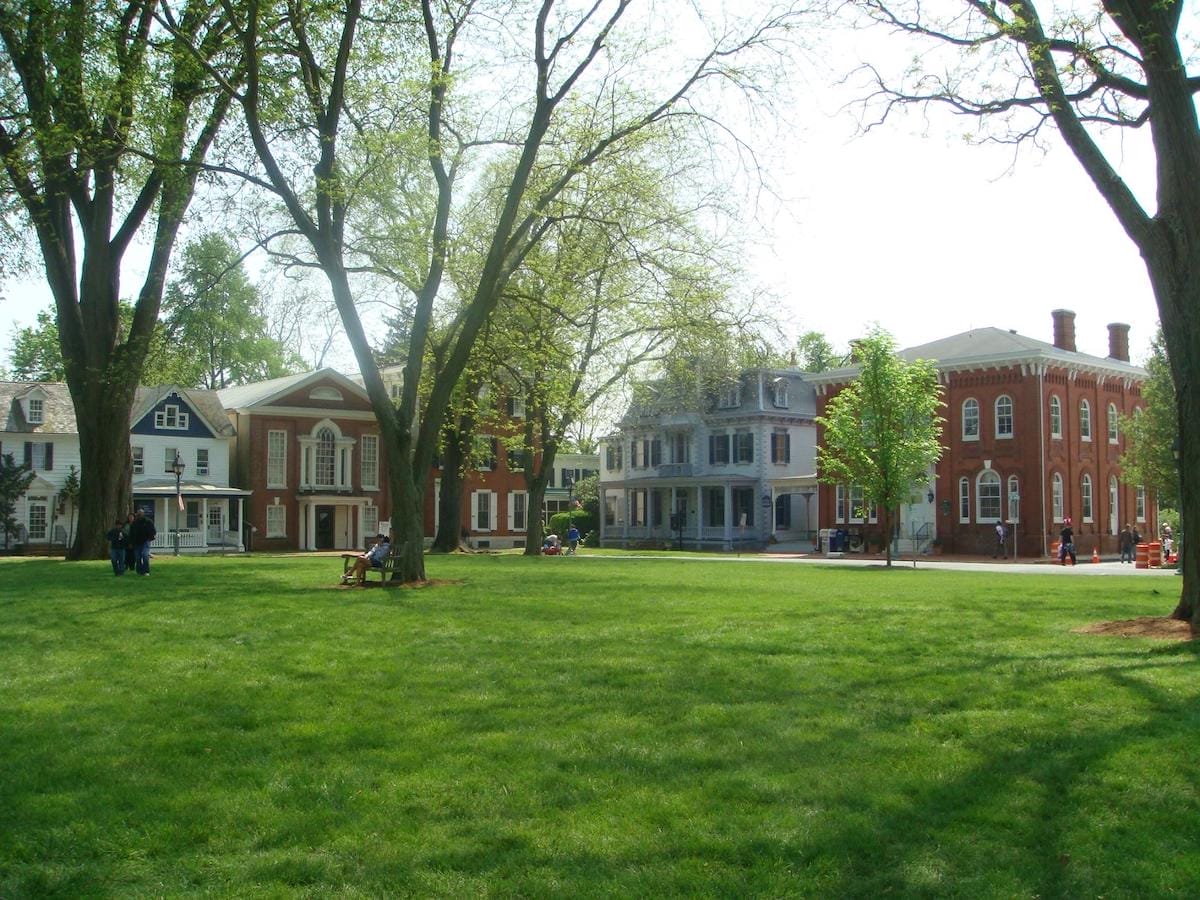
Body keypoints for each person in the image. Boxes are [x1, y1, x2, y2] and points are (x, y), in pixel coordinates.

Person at [128, 509, 157, 575]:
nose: (139, 516)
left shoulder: (148, 522)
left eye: (140, 514)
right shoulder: (134, 523)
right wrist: (130, 543)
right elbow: (131, 534)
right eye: (138, 514)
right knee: (138, 557)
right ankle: (139, 571)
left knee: (145, 555)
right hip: (137, 542)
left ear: (143, 514)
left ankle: (146, 571)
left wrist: (150, 537)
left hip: (145, 541)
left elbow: (153, 531)